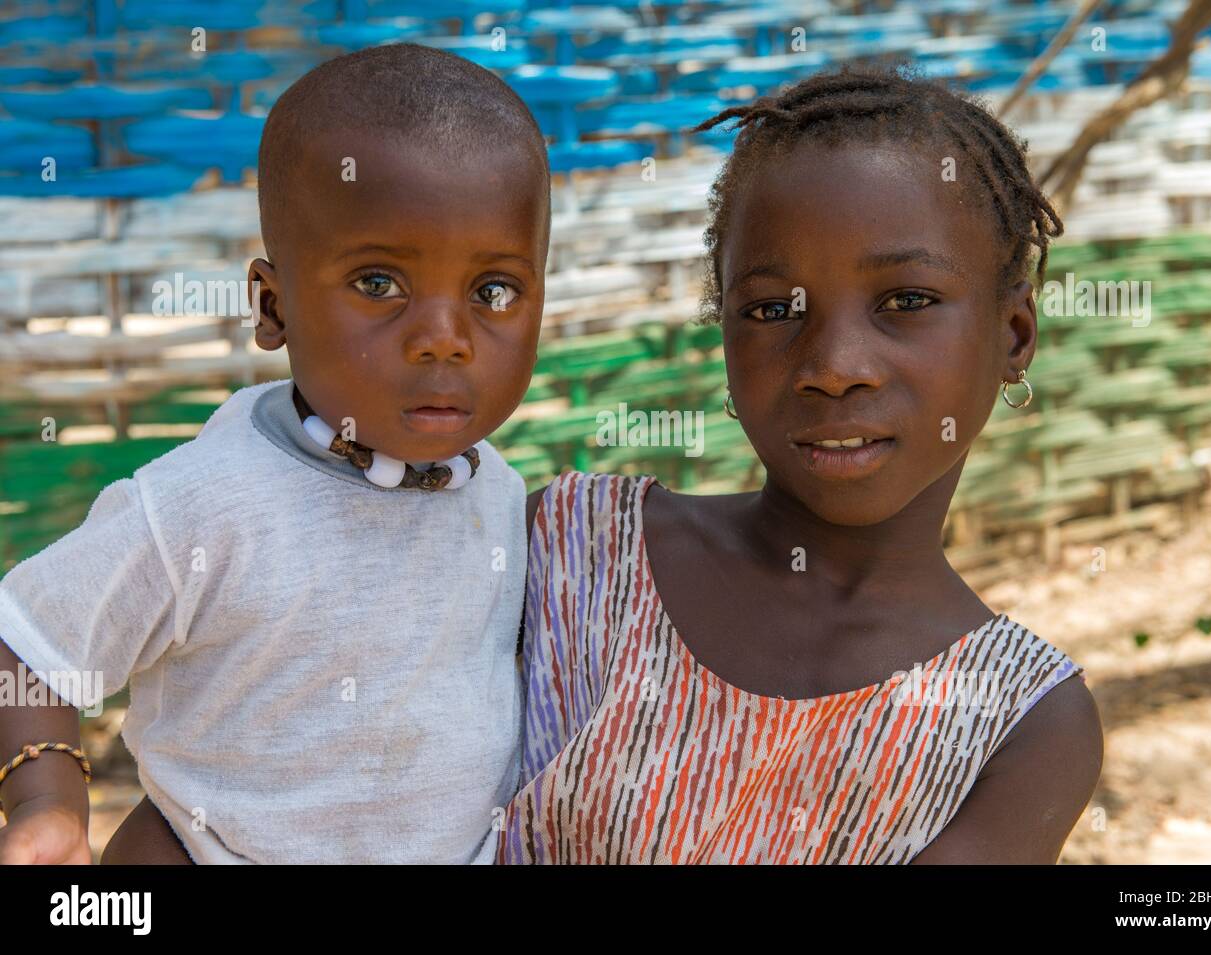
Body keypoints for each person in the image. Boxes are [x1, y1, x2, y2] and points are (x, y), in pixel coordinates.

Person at [500, 65, 1104, 864]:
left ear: (1015, 336)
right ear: (725, 338)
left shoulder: (1023, 724)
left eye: (908, 300)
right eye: (772, 309)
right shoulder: (573, 552)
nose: (835, 363)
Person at [0, 43, 550, 864]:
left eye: (493, 291)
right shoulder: (207, 505)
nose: (446, 339)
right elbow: (34, 643)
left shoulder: (503, 500)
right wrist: (47, 801)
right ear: (273, 306)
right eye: (378, 283)